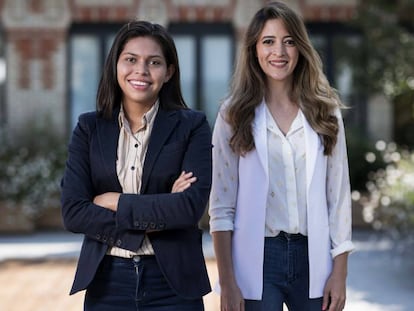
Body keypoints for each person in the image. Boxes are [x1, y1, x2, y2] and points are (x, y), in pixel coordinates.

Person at [209, 2, 354, 311]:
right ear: (254, 49)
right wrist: (228, 282)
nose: (280, 52)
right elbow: (221, 205)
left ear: (300, 48)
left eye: (289, 41)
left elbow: (338, 197)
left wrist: (339, 273)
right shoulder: (233, 114)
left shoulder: (325, 111)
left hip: (313, 256)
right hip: (257, 257)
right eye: (268, 41)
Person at [61, 20, 212, 311]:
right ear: (115, 65)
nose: (141, 70)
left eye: (153, 62)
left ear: (168, 72)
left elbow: (189, 208)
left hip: (174, 284)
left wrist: (113, 201)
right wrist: (160, 210)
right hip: (107, 281)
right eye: (131, 59)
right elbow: (73, 212)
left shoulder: (192, 126)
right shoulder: (89, 127)